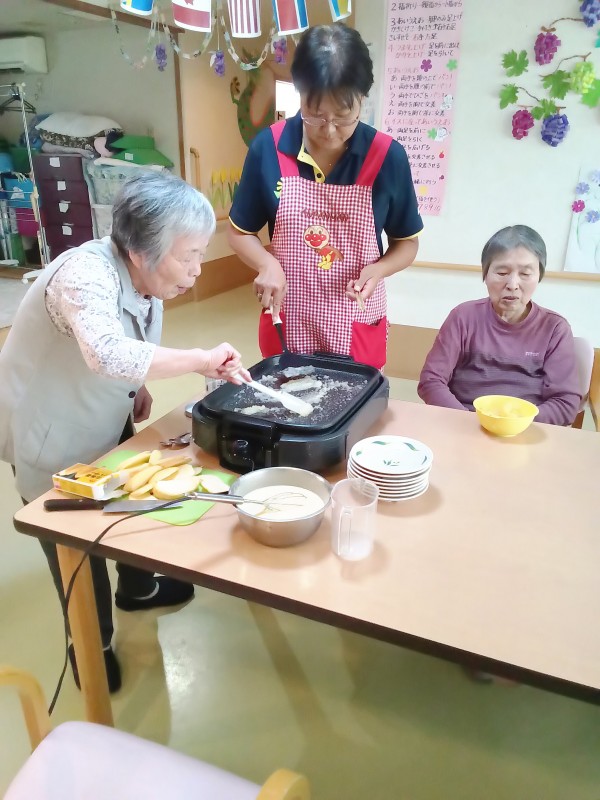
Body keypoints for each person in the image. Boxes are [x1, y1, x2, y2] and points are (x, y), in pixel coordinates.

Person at [0, 171, 251, 692]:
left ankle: (137, 589)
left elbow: (126, 341)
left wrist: (136, 385)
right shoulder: (84, 274)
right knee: (74, 545)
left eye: (201, 254)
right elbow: (107, 351)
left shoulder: (144, 274)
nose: (197, 269)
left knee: (127, 503)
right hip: (50, 431)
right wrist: (201, 358)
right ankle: (90, 645)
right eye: (189, 256)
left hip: (101, 413)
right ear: (140, 251)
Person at [227, 22, 423, 370]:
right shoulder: (269, 147)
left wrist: (379, 270)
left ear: (363, 98)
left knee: (356, 400)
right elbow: (239, 233)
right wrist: (266, 263)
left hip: (356, 320)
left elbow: (406, 243)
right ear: (299, 94)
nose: (330, 131)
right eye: (315, 116)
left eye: (343, 117)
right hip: (291, 320)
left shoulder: (387, 157)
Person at [418, 225, 581, 426]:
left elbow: (565, 403)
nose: (512, 284)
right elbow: (431, 381)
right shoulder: (463, 317)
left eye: (525, 274)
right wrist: (469, 422)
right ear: (485, 275)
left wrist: (513, 425)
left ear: (539, 276)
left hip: (526, 430)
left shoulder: (554, 328)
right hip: (464, 424)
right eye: (502, 272)